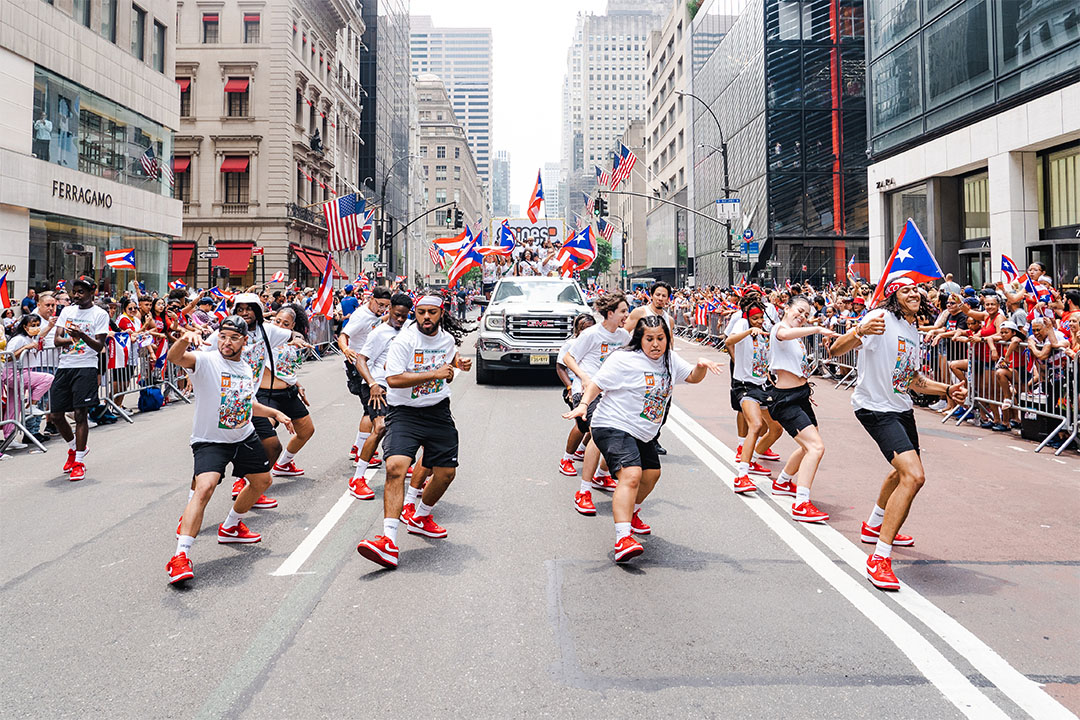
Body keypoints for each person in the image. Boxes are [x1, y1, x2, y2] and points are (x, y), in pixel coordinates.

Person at [829, 275, 968, 590]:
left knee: (901, 472)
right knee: (914, 476)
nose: (915, 293)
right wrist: (858, 331)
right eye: (906, 290)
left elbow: (913, 380)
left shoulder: (912, 330)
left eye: (916, 290)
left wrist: (947, 389)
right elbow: (837, 350)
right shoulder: (878, 319)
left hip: (901, 408)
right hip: (875, 408)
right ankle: (879, 558)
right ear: (893, 297)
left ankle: (874, 524)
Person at [564, 315, 723, 562]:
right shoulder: (623, 359)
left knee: (651, 476)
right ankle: (623, 538)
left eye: (660, 338)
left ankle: (632, 510)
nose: (656, 344)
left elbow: (691, 377)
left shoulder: (668, 360)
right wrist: (584, 404)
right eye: (650, 339)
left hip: (642, 431)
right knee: (632, 475)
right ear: (640, 339)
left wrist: (700, 366)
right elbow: (596, 383)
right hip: (613, 424)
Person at [165, 317, 295, 585]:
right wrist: (185, 338)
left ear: (244, 341)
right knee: (205, 488)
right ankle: (180, 556)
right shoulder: (207, 361)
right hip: (210, 440)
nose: (226, 342)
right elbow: (175, 357)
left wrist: (275, 413)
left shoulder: (246, 369)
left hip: (243, 436)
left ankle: (231, 526)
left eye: (234, 337)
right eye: (223, 336)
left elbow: (247, 404)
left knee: (262, 481)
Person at [355, 294, 472, 569]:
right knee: (396, 467)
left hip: (438, 410)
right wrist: (435, 374)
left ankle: (420, 516)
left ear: (441, 313)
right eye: (421, 312)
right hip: (404, 412)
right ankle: (388, 541)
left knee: (445, 474)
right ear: (415, 314)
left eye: (432, 312)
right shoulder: (404, 341)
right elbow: (394, 379)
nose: (426, 317)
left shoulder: (446, 340)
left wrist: (458, 363)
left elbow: (448, 359)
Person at [768, 295, 838, 523]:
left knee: (810, 443)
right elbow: (783, 334)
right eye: (799, 310)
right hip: (785, 399)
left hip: (801, 396)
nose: (802, 316)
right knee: (816, 447)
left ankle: (783, 481)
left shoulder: (798, 338)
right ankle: (801, 503)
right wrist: (816, 328)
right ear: (786, 308)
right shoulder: (780, 328)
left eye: (806, 314)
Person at [560, 292, 631, 515]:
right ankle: (583, 491)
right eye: (622, 312)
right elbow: (568, 358)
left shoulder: (624, 337)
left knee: (608, 434)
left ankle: (601, 476)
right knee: (597, 432)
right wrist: (583, 377)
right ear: (610, 313)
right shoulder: (591, 334)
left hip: (611, 393)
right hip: (588, 392)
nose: (626, 316)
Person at [347, 293, 414, 499]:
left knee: (409, 428)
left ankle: (403, 463)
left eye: (404, 316)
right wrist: (373, 384)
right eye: (397, 314)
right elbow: (361, 360)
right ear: (390, 309)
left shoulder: (411, 329)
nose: (400, 319)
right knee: (381, 426)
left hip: (400, 386)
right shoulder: (379, 333)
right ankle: (358, 479)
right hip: (377, 386)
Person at [48, 276, 109, 481]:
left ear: (92, 292)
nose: (76, 295)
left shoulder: (100, 314)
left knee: (80, 414)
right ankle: (74, 448)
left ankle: (79, 462)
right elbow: (57, 340)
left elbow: (99, 346)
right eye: (75, 291)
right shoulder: (67, 311)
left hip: (86, 367)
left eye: (81, 291)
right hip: (65, 366)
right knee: (56, 415)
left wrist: (82, 336)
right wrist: (72, 338)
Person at [725, 300, 783, 494]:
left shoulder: (766, 332)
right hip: (745, 386)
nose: (758, 322)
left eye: (760, 318)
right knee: (756, 425)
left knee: (776, 429)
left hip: (762, 386)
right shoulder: (743, 326)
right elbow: (728, 341)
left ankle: (752, 460)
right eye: (754, 318)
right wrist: (748, 333)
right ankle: (742, 476)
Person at [339, 287, 391, 464]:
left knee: (368, 409)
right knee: (371, 411)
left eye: (386, 306)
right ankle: (361, 453)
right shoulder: (361, 316)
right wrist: (346, 349)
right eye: (380, 305)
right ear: (371, 299)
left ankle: (358, 447)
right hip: (359, 367)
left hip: (369, 367)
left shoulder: (375, 316)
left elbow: (376, 322)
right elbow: (343, 335)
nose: (382, 309)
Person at [264, 304, 316, 478]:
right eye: (277, 321)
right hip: (266, 395)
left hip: (289, 393)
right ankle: (245, 479)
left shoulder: (288, 342)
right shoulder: (265, 337)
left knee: (306, 430)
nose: (280, 326)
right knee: (263, 438)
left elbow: (284, 370)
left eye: (285, 324)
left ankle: (284, 463)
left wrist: (297, 384)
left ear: (292, 326)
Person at [556, 313, 596, 477]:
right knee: (582, 425)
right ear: (577, 330)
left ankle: (580, 451)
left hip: (596, 389)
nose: (587, 331)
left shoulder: (599, 342)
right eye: (583, 328)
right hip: (577, 389)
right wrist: (570, 387)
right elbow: (560, 367)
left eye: (591, 328)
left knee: (597, 426)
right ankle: (566, 459)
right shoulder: (571, 344)